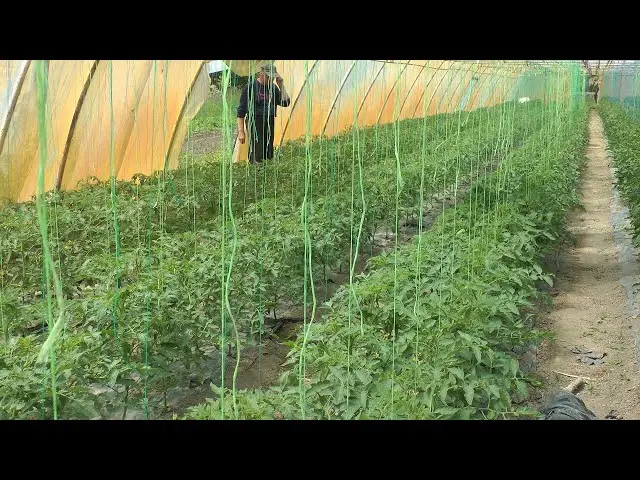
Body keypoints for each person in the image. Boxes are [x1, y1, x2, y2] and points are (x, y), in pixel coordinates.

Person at [236, 62, 291, 165]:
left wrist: (281, 86)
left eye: (273, 77)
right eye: (269, 76)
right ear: (261, 73)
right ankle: (256, 173)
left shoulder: (273, 88)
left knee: (268, 150)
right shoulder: (251, 87)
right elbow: (241, 111)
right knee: (258, 152)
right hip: (255, 122)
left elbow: (286, 102)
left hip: (269, 121)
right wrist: (241, 131)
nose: (271, 79)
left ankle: (267, 172)